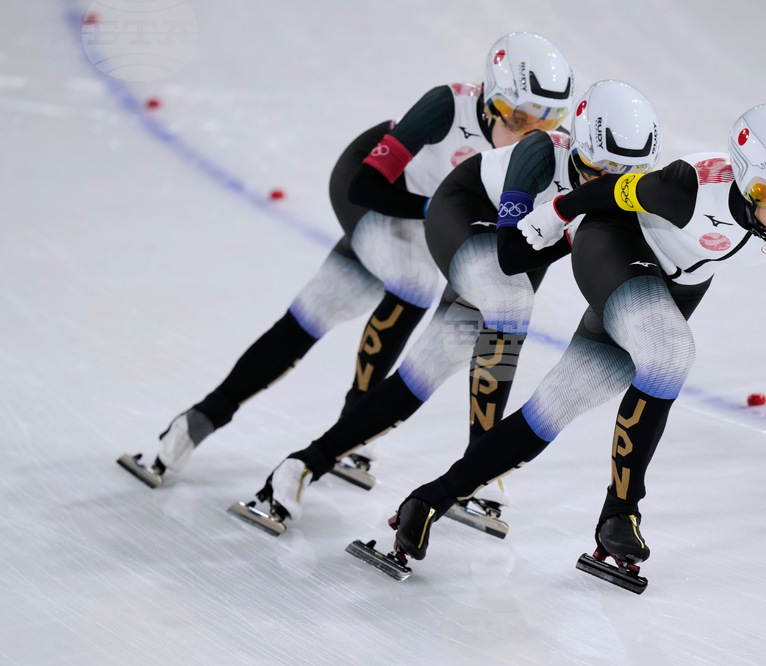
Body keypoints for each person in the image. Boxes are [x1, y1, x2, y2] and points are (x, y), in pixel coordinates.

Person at [360, 103, 766, 592]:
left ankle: (428, 501)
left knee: (557, 405)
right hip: (614, 243)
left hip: (675, 287)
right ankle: (621, 514)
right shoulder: (686, 187)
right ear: (747, 182)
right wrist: (552, 215)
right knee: (670, 353)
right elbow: (608, 190)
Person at [117, 32, 575, 489]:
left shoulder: (547, 155)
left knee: (319, 310)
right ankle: (350, 418)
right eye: (519, 118)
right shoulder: (447, 106)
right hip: (378, 196)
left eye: (545, 122)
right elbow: (364, 187)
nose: (528, 135)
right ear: (492, 101)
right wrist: (436, 210)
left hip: (433, 218)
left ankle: (196, 421)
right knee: (412, 284)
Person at [228, 80, 662, 536]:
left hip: (518, 250)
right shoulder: (539, 152)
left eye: (623, 178)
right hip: (465, 211)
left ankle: (300, 466)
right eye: (596, 171)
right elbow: (512, 255)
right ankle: (479, 467)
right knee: (512, 300)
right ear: (577, 150)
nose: (606, 186)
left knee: (428, 368)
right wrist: (571, 212)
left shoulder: (622, 186)